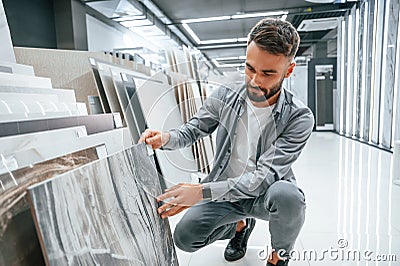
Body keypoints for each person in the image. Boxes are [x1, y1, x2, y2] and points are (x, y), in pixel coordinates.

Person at [139, 17, 314, 266]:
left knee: (289, 197)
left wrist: (200, 192)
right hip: (226, 192)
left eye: (267, 73)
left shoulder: (299, 117)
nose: (254, 81)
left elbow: (264, 178)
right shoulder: (226, 93)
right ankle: (239, 227)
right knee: (185, 237)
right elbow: (194, 129)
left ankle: (278, 258)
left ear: (289, 70)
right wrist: (165, 138)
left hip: (265, 196)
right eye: (250, 68)